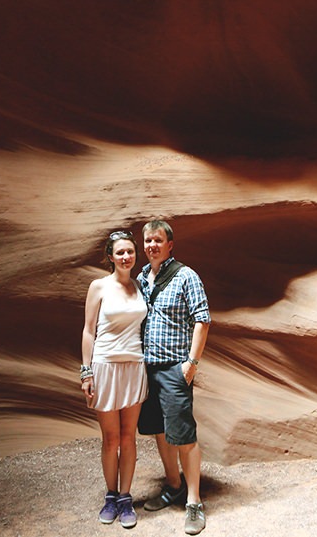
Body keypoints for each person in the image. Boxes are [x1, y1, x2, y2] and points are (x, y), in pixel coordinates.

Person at [137, 219, 211, 535]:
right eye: (148, 241)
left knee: (183, 433)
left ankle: (194, 501)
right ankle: (173, 484)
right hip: (147, 367)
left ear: (170, 244)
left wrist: (191, 363)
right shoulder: (141, 278)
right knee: (158, 429)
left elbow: (203, 319)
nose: (152, 245)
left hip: (174, 368)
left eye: (158, 240)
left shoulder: (185, 276)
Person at [80, 230, 149, 529]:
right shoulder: (99, 286)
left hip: (134, 366)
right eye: (120, 252)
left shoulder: (140, 286)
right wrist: (86, 371)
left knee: (128, 437)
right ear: (110, 256)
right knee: (110, 439)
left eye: (130, 252)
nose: (126, 257)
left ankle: (125, 497)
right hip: (106, 365)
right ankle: (110, 495)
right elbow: (89, 331)